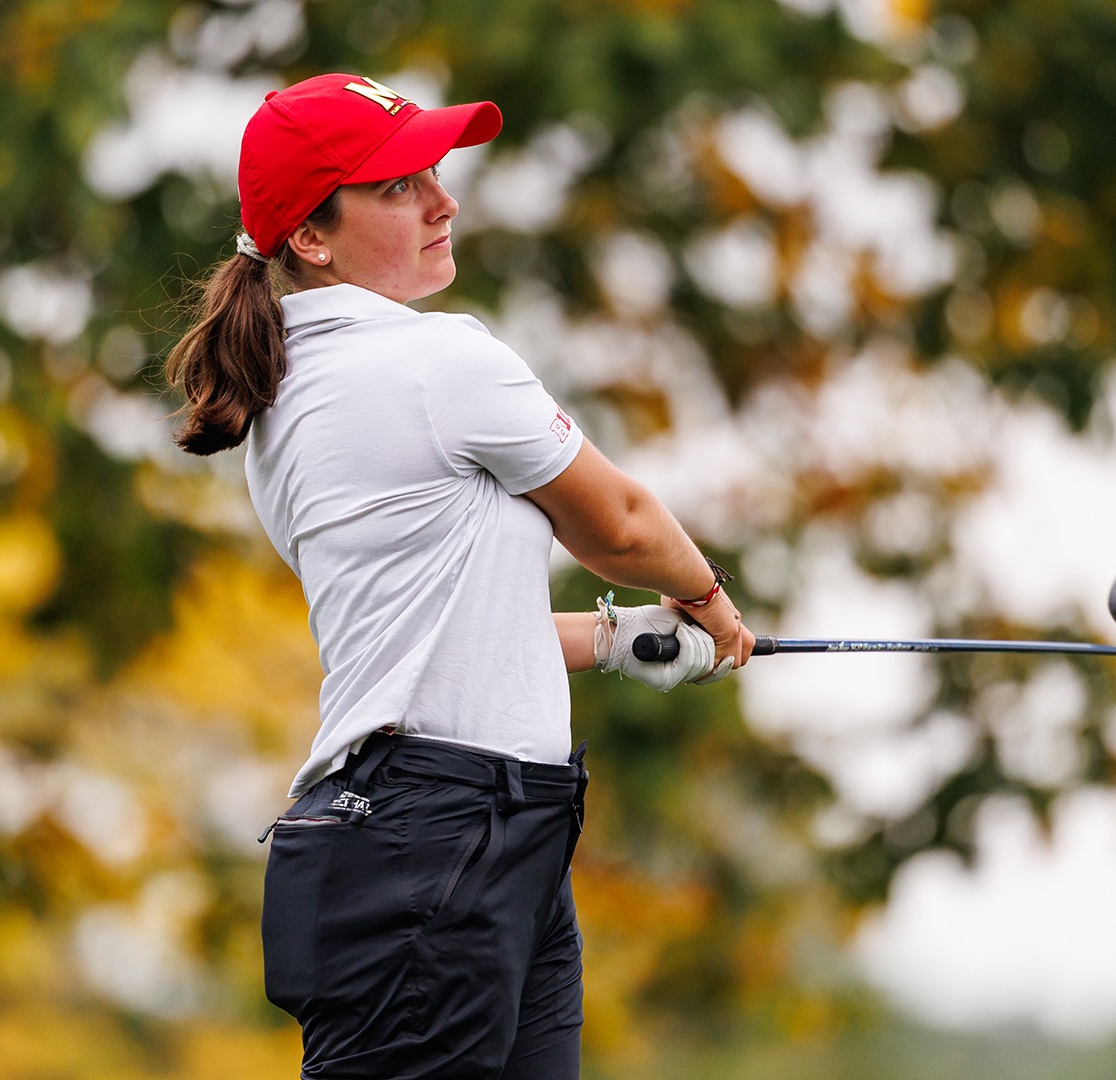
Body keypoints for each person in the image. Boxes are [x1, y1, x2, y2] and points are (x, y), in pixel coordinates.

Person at [163, 73, 756, 1079]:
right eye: (398, 187)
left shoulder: (282, 397)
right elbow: (619, 523)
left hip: (476, 832)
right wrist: (709, 602)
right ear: (314, 235)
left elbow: (445, 630)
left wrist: (615, 639)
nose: (442, 202)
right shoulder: (437, 361)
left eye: (433, 175)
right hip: (434, 841)